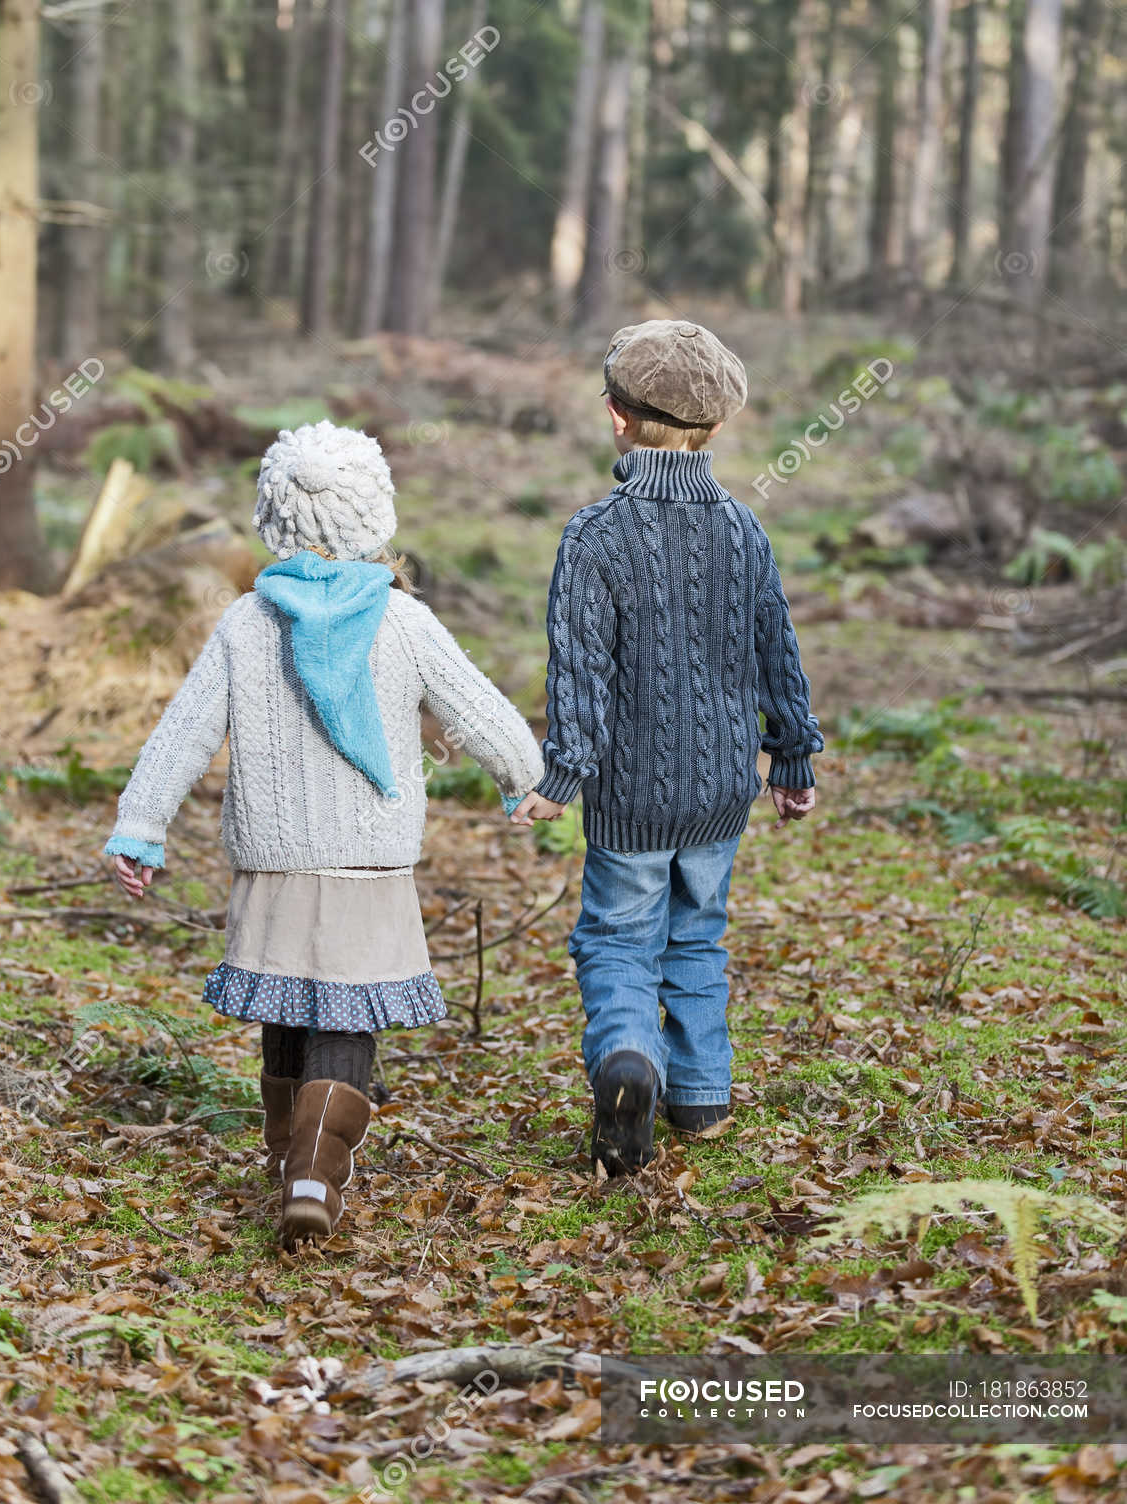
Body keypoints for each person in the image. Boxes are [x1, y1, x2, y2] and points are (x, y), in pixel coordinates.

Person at [104, 420, 543, 1244]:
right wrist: (530, 779)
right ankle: (316, 1169)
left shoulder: (247, 622)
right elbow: (477, 708)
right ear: (375, 513)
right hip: (368, 867)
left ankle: (286, 1160)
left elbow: (184, 733)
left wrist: (140, 825)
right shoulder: (403, 624)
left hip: (273, 861)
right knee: (347, 1018)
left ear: (274, 517)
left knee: (286, 1000)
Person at [511, 321, 822, 1174]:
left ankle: (628, 1060)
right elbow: (777, 652)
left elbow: (579, 669)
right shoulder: (742, 530)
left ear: (615, 415)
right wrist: (791, 759)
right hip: (721, 786)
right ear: (717, 429)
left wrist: (563, 774)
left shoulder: (593, 536)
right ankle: (702, 1099)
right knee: (697, 938)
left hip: (631, 795)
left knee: (618, 938)